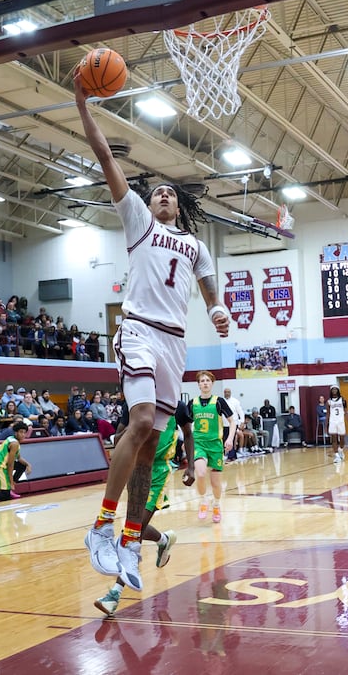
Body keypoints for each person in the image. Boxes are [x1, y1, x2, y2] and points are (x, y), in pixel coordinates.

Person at [76, 72, 229, 593]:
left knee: (150, 446)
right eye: (157, 191)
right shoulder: (139, 221)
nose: (162, 195)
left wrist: (219, 313)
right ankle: (100, 527)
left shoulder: (196, 244)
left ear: (180, 206)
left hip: (175, 343)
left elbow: (210, 291)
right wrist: (83, 104)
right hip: (139, 329)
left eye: (169, 193)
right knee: (139, 420)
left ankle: (131, 538)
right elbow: (106, 159)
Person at [94, 395, 196, 617]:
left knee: (134, 530)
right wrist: (131, 431)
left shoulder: (176, 405)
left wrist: (191, 467)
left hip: (158, 471)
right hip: (135, 468)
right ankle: (164, 540)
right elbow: (118, 437)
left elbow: (188, 434)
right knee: (136, 527)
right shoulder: (134, 403)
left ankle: (115, 594)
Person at [191, 371, 235, 523]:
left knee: (216, 483)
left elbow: (232, 421)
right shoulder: (193, 403)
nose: (205, 383)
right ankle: (203, 501)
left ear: (212, 383)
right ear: (198, 384)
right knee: (201, 473)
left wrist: (229, 439)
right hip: (199, 443)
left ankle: (216, 504)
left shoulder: (218, 401)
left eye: (207, 380)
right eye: (202, 381)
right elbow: (185, 424)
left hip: (215, 445)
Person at [327, 386, 348, 462]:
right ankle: (337, 456)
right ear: (331, 391)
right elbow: (328, 413)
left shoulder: (342, 400)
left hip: (341, 421)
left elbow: (346, 411)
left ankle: (340, 449)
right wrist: (327, 423)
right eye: (333, 389)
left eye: (335, 389)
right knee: (334, 439)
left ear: (338, 390)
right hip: (332, 421)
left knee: (342, 439)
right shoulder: (329, 401)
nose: (334, 390)